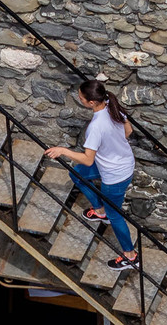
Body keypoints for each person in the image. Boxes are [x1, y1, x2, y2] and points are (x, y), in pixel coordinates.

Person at [45, 81, 138, 269]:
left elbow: (87, 159)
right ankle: (99, 210)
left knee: (116, 215)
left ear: (92, 103)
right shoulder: (113, 107)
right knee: (77, 174)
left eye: (80, 98)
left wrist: (63, 150)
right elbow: (128, 131)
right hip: (123, 163)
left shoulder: (96, 126)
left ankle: (130, 255)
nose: (78, 99)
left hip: (114, 176)